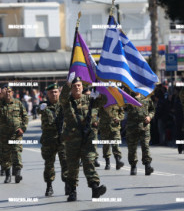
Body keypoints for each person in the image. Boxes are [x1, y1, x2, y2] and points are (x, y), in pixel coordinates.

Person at [60, 73, 107, 201]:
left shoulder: (89, 99)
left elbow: (104, 101)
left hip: (88, 138)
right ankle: (72, 191)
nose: (77, 88)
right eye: (74, 86)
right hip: (72, 140)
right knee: (72, 166)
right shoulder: (67, 102)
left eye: (79, 85)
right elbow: (62, 98)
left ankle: (95, 188)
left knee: (89, 162)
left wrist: (99, 95)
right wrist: (67, 85)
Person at [37, 83, 68, 196]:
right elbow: (38, 110)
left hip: (63, 140)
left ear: (59, 93)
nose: (54, 94)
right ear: (47, 94)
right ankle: (49, 186)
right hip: (49, 140)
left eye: (56, 92)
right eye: (51, 92)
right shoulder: (44, 106)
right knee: (49, 164)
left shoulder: (64, 105)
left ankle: (67, 185)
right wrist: (41, 108)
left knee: (65, 163)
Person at [0, 86, 28, 184]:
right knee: (5, 156)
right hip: (4, 135)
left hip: (16, 134)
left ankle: (17, 174)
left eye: (9, 92)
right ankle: (8, 175)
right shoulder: (0, 103)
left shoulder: (18, 103)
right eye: (6, 92)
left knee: (16, 152)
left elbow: (25, 117)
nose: (8, 93)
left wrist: (23, 128)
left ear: (12, 93)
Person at [125, 92, 155, 175]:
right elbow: (120, 108)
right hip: (132, 127)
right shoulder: (127, 97)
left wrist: (149, 116)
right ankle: (133, 165)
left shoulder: (146, 97)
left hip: (144, 126)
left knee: (145, 146)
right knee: (132, 148)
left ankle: (147, 166)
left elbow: (152, 109)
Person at [99, 105, 125, 170]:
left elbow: (122, 112)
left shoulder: (117, 101)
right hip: (104, 127)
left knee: (116, 144)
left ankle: (118, 161)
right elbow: (96, 111)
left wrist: (119, 118)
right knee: (106, 145)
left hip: (115, 127)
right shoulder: (102, 101)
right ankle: (107, 163)